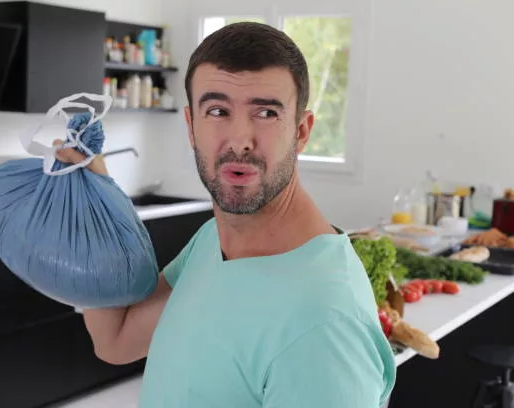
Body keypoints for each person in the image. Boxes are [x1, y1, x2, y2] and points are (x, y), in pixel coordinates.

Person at [56, 22, 396, 408]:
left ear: (302, 131)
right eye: (218, 110)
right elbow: (116, 340)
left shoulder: (326, 323)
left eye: (266, 112)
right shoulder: (213, 241)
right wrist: (93, 205)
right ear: (191, 126)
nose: (239, 140)